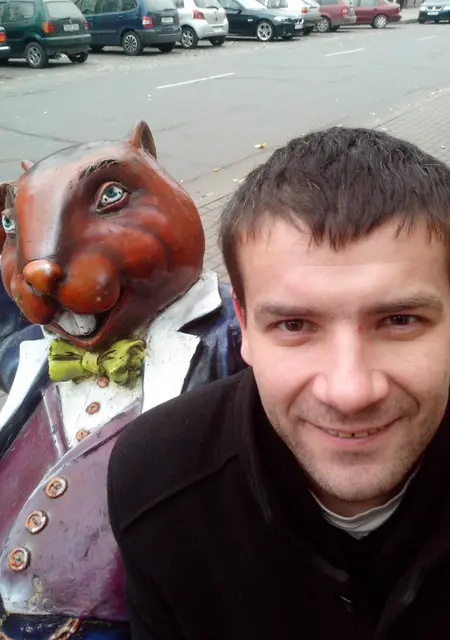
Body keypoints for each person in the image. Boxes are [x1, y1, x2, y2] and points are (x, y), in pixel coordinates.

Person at [107, 126, 450, 639]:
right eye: (294, 325)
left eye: (400, 320)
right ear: (244, 326)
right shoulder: (156, 484)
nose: (350, 391)